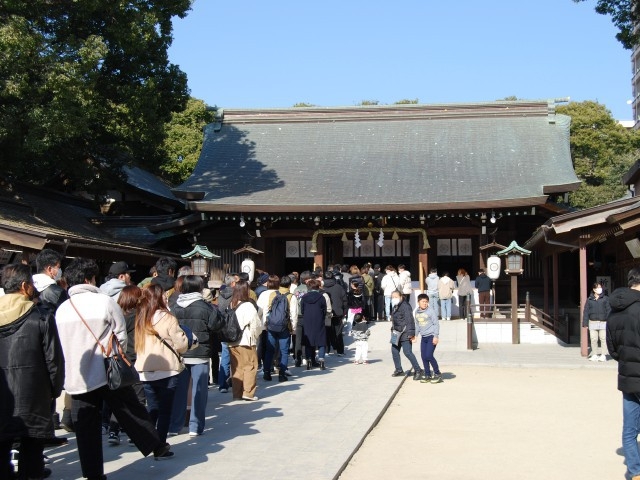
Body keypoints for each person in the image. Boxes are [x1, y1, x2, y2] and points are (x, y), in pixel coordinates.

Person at [55, 258, 172, 479]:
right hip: (107, 370)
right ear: (89, 279)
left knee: (86, 428)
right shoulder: (105, 302)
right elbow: (120, 336)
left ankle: (93, 474)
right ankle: (156, 445)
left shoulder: (62, 309)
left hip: (77, 376)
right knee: (130, 409)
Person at [0, 264, 64, 480]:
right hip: (35, 394)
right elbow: (54, 360)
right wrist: (54, 390)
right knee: (32, 450)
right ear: (24, 286)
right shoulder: (41, 317)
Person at [135, 283, 189, 447]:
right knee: (165, 410)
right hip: (167, 369)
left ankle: (149, 440)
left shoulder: (141, 318)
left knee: (153, 408)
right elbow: (181, 344)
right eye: (164, 295)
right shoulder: (168, 318)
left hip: (146, 369)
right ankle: (160, 444)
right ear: (159, 298)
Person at [169, 275, 220, 437]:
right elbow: (215, 325)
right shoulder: (205, 307)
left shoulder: (174, 306)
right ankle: (195, 426)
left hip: (180, 353)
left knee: (179, 391)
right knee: (199, 391)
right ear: (200, 288)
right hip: (200, 353)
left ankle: (174, 426)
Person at [606, 267, 640, 480]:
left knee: (629, 430)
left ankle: (636, 472)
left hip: (627, 375)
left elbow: (612, 349)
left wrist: (627, 360)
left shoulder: (614, 311)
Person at [228, 280, 262, 401]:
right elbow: (255, 324)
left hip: (232, 341)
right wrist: (256, 336)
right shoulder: (248, 305)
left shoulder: (231, 304)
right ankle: (248, 392)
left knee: (237, 368)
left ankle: (237, 393)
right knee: (250, 366)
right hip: (246, 340)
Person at [389, 290, 423, 380]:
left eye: (396, 297)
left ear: (401, 297)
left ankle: (418, 370)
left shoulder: (405, 306)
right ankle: (399, 369)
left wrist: (411, 333)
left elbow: (410, 320)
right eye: (392, 297)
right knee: (394, 351)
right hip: (396, 332)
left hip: (405, 332)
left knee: (407, 352)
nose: (394, 298)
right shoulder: (395, 306)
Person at [414, 293, 442, 383]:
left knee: (429, 355)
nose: (425, 303)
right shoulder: (416, 312)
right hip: (424, 337)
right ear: (418, 302)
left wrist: (436, 336)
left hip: (431, 336)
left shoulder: (431, 311)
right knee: (423, 357)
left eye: (426, 302)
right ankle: (427, 375)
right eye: (423, 301)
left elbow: (436, 324)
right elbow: (417, 325)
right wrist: (416, 335)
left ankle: (437, 374)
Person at [300, 278, 327, 370]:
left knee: (309, 341)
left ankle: (309, 361)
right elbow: (324, 310)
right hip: (319, 320)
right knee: (321, 341)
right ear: (318, 287)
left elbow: (302, 310)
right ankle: (321, 361)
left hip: (307, 320)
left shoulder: (304, 297)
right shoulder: (321, 297)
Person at [582, 282, 611, 362]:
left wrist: (609, 321)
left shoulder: (605, 298)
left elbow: (609, 310)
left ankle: (603, 355)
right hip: (592, 322)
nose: (599, 289)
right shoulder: (589, 299)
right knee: (593, 339)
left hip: (603, 322)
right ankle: (594, 354)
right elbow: (586, 311)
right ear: (594, 289)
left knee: (603, 339)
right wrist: (585, 323)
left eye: (600, 287)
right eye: (598, 288)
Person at [322, 271, 347, 356]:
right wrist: (344, 311)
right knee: (338, 332)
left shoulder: (322, 288)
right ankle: (340, 351)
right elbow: (344, 300)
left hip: (326, 313)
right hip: (338, 312)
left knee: (326, 332)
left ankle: (326, 350)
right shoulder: (338, 287)